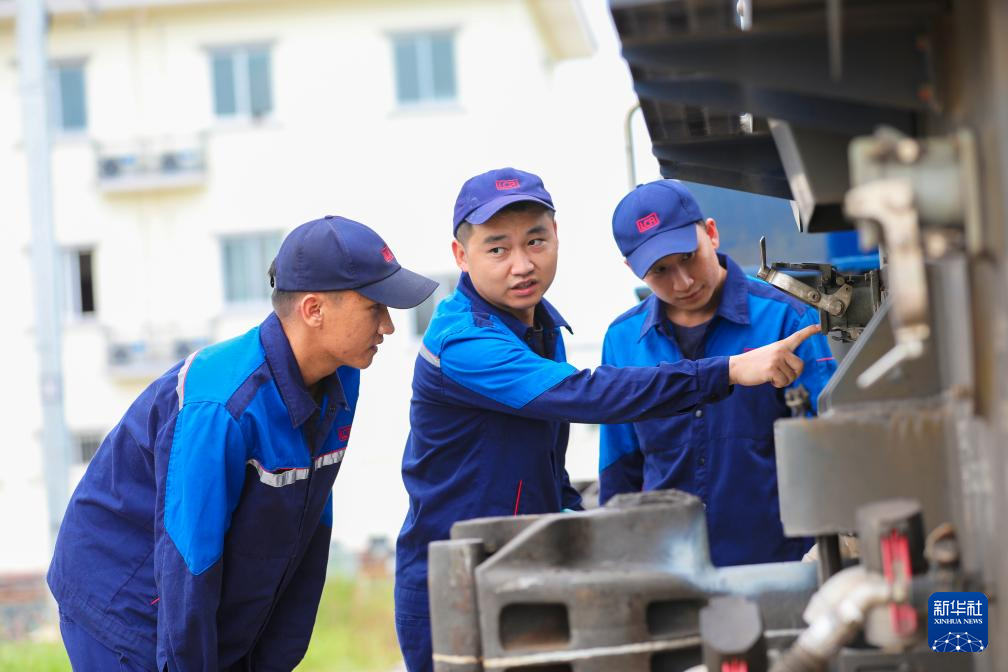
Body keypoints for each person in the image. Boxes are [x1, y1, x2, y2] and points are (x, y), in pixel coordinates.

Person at [393, 168, 822, 672]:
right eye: (497, 249)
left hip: (529, 572)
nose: (522, 265)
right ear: (460, 256)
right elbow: (587, 399)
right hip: (458, 583)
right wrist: (729, 370)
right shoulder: (467, 341)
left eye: (536, 241)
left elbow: (545, 468)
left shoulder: (540, 328)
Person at [47, 216, 438, 671]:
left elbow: (308, 523)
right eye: (375, 308)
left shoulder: (341, 377)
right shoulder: (223, 408)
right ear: (314, 310)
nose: (388, 327)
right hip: (124, 600)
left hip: (200, 586)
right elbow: (189, 560)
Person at [599, 179, 838, 567]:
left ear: (711, 232)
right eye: (660, 270)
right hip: (668, 571)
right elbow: (619, 466)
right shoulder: (622, 340)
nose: (683, 282)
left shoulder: (786, 320)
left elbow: (830, 444)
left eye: (688, 257)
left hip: (780, 565)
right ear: (632, 269)